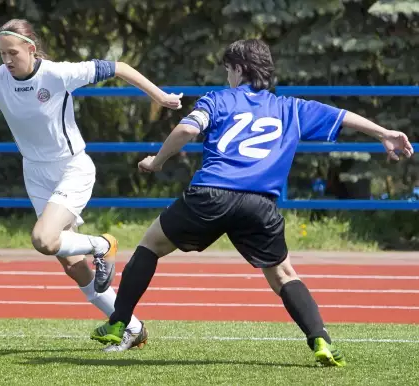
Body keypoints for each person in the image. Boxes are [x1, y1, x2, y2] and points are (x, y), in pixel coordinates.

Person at [90, 39, 414, 359]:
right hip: (260, 205)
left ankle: (119, 322)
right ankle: (321, 340)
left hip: (211, 194)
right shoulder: (291, 108)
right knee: (284, 274)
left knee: (150, 245)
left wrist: (157, 161)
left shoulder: (218, 100)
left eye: (228, 70)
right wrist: (384, 133)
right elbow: (342, 116)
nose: (226, 77)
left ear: (238, 69)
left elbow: (188, 130)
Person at [0, 18, 183, 350]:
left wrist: (161, 97)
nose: (7, 60)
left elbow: (119, 67)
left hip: (72, 168)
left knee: (43, 238)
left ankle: (101, 245)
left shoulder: (58, 74)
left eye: (12, 53)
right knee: (70, 264)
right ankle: (131, 326)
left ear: (31, 49)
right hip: (35, 174)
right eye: (2, 53)